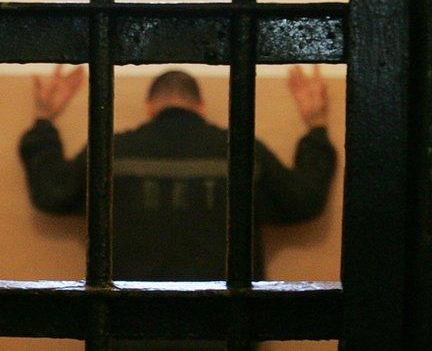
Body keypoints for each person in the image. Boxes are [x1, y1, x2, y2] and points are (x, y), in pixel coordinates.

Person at [18, 67, 336, 348]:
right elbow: (303, 201)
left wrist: (44, 119)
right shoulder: (240, 151)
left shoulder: (111, 151)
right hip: (223, 326)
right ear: (201, 107)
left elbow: (52, 193)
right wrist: (316, 127)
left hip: (125, 326)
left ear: (149, 107)